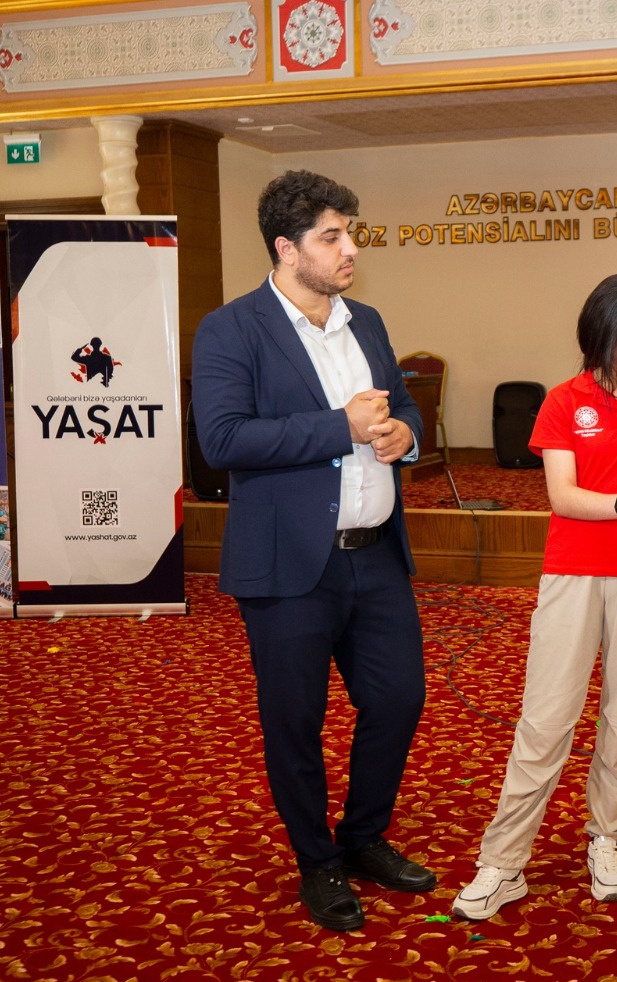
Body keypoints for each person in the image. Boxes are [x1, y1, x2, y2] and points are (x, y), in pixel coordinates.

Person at [191, 170, 434, 934]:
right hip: (290, 565)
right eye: (332, 236)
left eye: (349, 232)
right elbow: (222, 440)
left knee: (398, 700)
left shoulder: (368, 323)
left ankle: (363, 836)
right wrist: (342, 427)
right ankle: (317, 858)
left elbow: (403, 404)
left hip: (376, 555)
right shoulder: (232, 329)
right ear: (286, 249)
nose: (349, 248)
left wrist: (405, 433)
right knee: (295, 723)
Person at [451, 272, 617, 921]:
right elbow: (562, 495)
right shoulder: (566, 401)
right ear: (605, 332)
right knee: (546, 719)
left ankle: (608, 836)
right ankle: (503, 862)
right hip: (574, 571)